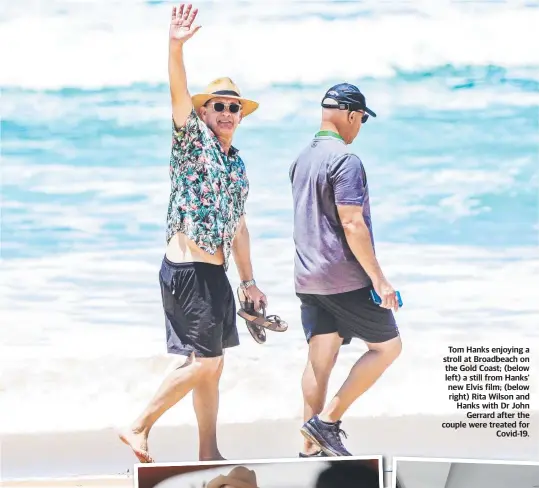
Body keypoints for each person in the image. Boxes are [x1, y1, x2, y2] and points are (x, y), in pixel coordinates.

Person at [118, 3, 267, 463]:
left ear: (240, 115)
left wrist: (249, 282)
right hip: (186, 269)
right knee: (204, 363)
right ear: (205, 112)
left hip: (215, 275)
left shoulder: (236, 163)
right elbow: (177, 92)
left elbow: (238, 226)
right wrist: (175, 46)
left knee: (212, 368)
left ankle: (208, 450)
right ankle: (137, 425)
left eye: (233, 108)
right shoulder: (191, 139)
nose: (226, 112)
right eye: (218, 106)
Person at [289, 83, 403, 457]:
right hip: (343, 279)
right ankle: (327, 422)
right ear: (352, 114)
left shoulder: (301, 159)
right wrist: (379, 280)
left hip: (307, 277)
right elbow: (352, 223)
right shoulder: (346, 161)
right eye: (361, 120)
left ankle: (308, 449)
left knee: (320, 360)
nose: (359, 128)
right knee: (388, 348)